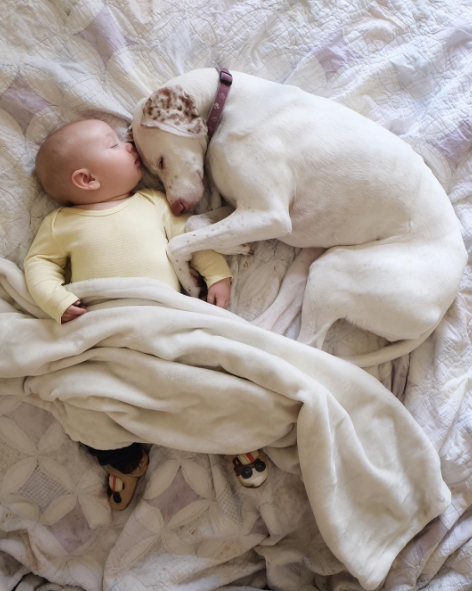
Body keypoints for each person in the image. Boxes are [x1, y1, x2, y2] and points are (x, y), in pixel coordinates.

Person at [24, 119, 267, 510]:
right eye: (113, 144)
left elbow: (190, 240)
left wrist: (216, 273)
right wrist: (55, 301)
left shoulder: (154, 204)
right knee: (88, 399)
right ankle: (124, 460)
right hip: (105, 328)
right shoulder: (60, 224)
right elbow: (39, 266)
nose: (129, 143)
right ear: (86, 179)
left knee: (204, 375)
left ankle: (233, 439)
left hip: (163, 319)